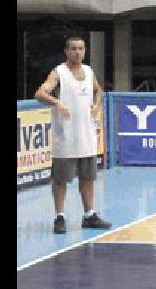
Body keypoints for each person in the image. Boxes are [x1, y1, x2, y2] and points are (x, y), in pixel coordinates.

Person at [35, 36, 112, 234]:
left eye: (81, 48)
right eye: (73, 49)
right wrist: (57, 102)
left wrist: (97, 104)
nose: (77, 52)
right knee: (60, 180)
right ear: (66, 51)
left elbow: (99, 91)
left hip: (86, 136)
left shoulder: (88, 71)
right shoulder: (59, 72)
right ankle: (59, 217)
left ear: (85, 51)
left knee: (88, 179)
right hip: (66, 137)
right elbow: (40, 93)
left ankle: (89, 215)